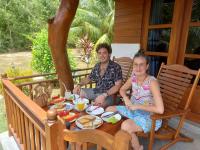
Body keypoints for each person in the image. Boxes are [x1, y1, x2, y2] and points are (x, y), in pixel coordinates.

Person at [106, 50, 164, 150]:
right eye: (135, 64)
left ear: (147, 66)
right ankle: (118, 138)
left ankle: (137, 147)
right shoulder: (133, 78)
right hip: (132, 110)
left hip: (149, 117)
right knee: (109, 110)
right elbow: (122, 89)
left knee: (125, 125)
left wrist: (137, 106)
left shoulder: (152, 82)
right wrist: (126, 99)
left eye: (141, 65)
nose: (138, 68)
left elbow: (160, 110)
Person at [73, 43, 123, 108]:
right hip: (97, 91)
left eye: (104, 53)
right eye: (99, 53)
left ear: (109, 54)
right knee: (78, 93)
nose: (101, 55)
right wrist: (79, 85)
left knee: (98, 106)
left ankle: (93, 114)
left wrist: (104, 95)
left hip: (110, 95)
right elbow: (89, 78)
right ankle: (83, 114)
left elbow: (118, 86)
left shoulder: (116, 67)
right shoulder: (97, 66)